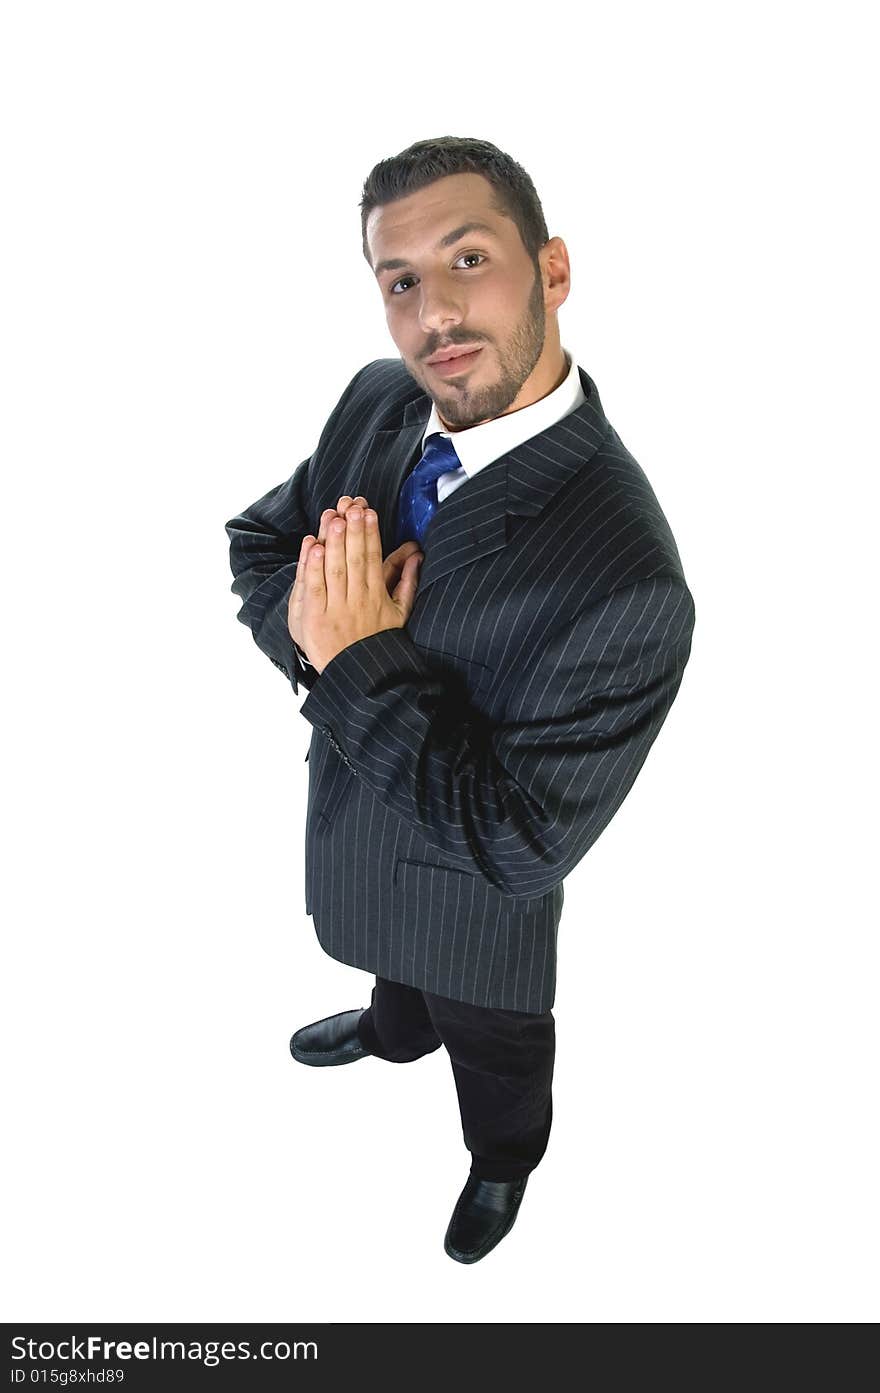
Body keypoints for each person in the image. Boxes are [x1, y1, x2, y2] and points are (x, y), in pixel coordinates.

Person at [224, 136, 696, 1264]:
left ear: (553, 271)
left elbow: (520, 845)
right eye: (400, 281)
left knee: (489, 1042)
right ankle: (394, 1033)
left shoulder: (624, 577)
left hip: (477, 911)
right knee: (394, 980)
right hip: (360, 842)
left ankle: (504, 1158)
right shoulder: (378, 406)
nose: (434, 312)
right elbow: (257, 543)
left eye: (468, 258)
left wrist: (354, 662)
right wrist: (319, 634)